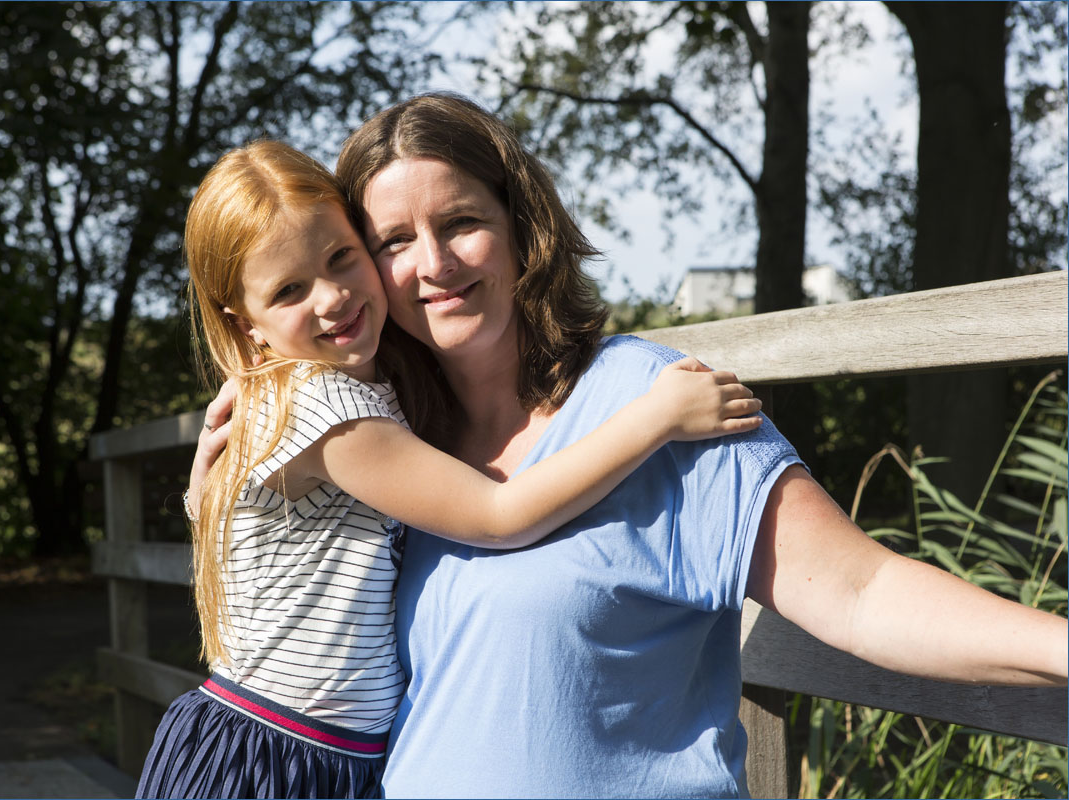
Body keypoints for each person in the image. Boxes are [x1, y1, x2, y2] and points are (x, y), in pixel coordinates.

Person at [191, 95, 1068, 798]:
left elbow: (861, 590)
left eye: (461, 221)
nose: (433, 264)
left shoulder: (657, 403)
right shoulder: (391, 435)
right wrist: (210, 496)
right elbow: (286, 594)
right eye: (391, 241)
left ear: (520, 225)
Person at [137, 139, 767, 800]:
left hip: (322, 750)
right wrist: (656, 417)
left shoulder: (350, 389)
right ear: (249, 324)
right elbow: (498, 515)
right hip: (275, 756)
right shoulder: (324, 405)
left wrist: (198, 494)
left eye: (342, 258)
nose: (330, 298)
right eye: (290, 289)